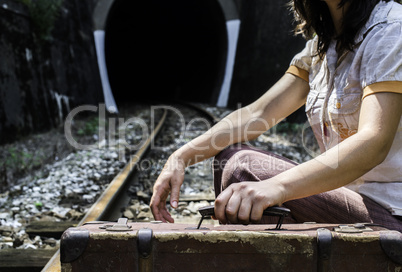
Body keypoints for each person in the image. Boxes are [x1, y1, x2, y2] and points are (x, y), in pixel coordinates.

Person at [150, 0, 402, 231]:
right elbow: (258, 113)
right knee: (229, 158)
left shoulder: (391, 31)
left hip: (391, 214)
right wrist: (181, 156)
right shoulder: (323, 48)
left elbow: (374, 141)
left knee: (243, 168)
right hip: (351, 202)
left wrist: (278, 186)